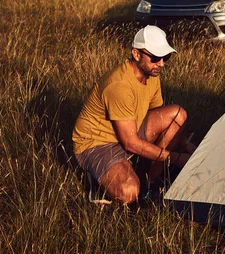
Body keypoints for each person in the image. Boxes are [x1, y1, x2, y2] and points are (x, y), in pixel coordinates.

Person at [72, 25, 196, 205]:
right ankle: (98, 182)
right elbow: (130, 142)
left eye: (165, 57)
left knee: (177, 115)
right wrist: (176, 158)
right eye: (155, 57)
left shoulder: (152, 74)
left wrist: (185, 144)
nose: (161, 63)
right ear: (136, 54)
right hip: (97, 143)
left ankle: (150, 181)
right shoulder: (119, 85)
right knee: (129, 192)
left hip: (130, 129)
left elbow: (158, 116)